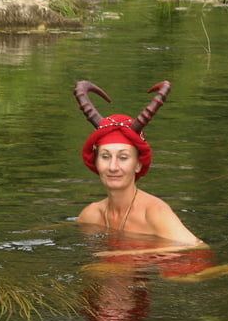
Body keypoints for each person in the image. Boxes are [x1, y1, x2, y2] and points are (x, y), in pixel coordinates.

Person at [74, 80, 203, 247]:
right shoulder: (90, 216)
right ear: (96, 162)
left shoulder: (155, 213)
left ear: (138, 164)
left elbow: (197, 250)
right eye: (105, 156)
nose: (113, 167)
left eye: (123, 157)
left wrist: (131, 256)